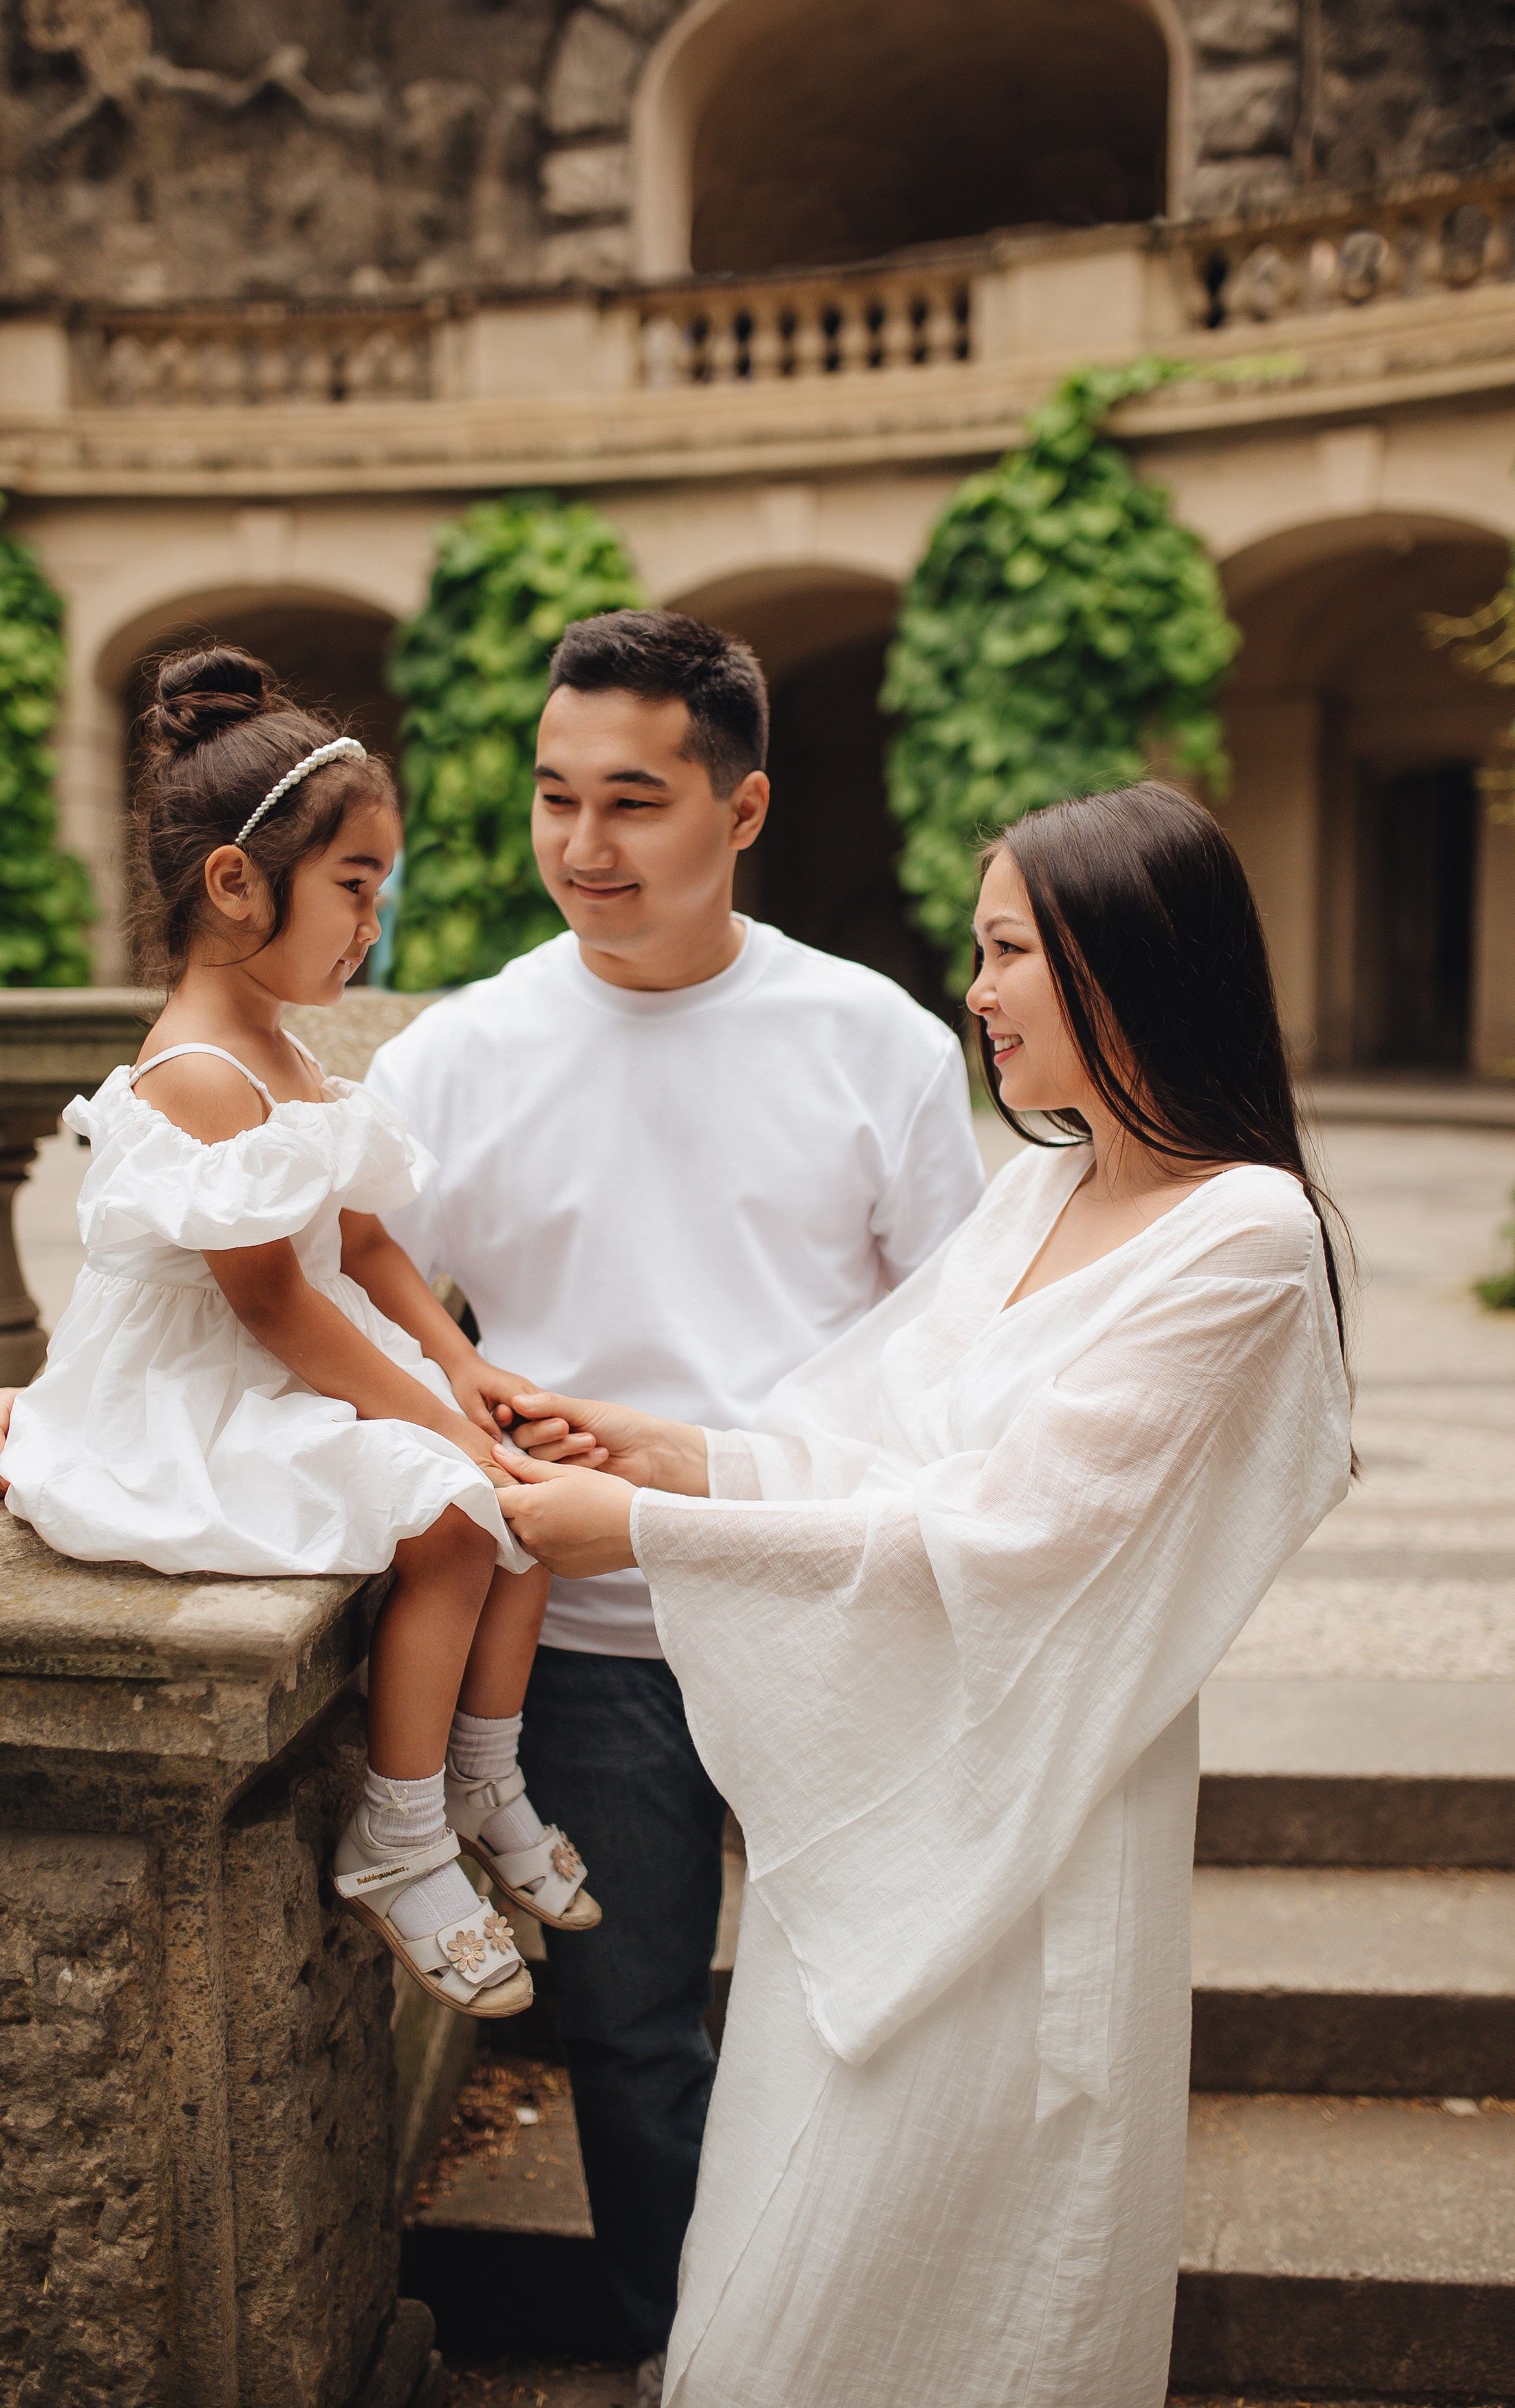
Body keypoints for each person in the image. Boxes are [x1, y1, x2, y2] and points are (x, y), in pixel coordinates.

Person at [0, 610, 985, 2397]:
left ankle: (893, 2342)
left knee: (885, 2015)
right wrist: (65, 1411)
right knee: (640, 2030)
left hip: (824, 1609)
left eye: (636, 801)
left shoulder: (878, 1044)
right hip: (583, 1639)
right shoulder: (456, 1051)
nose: (583, 846)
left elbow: (957, 1350)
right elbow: (287, 1292)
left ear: (743, 811)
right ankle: (695, 2351)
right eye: (552, 796)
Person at [486, 782, 1355, 2408]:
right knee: (784, 2235)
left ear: (1128, 962)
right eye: (981, 947)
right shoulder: (1038, 1186)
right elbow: (869, 1441)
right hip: (890, 1803)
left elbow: (1017, 1532)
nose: (978, 989)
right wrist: (676, 1461)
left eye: (1011, 949)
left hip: (1034, 1804)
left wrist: (651, 1538)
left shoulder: (1242, 1234)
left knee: (969, 2250)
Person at [0, 644, 604, 2023]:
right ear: (236, 883)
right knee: (452, 1511)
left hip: (293, 1351)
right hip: (204, 1388)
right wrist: (433, 1421)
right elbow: (271, 1299)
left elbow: (364, 1241)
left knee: (532, 1483)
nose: (372, 923)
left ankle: (486, 1772)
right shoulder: (201, 1067)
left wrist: (468, 1368)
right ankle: (403, 1829)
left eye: (383, 886)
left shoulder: (290, 1044)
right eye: (354, 886)